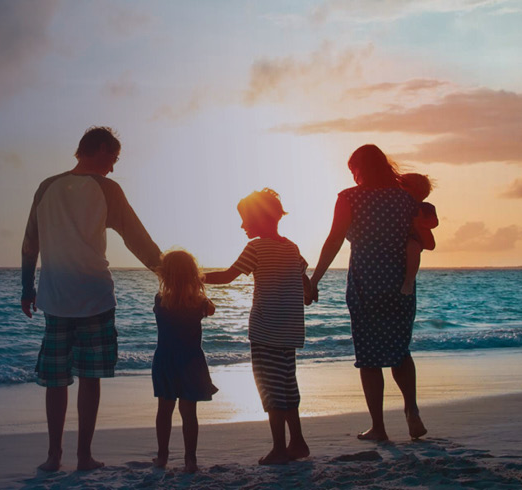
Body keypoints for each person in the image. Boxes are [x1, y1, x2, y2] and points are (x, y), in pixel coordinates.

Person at [20, 126, 162, 472]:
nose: (113, 167)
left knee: (56, 381)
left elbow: (29, 244)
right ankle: (83, 456)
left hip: (54, 298)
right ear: (98, 150)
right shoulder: (106, 188)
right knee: (89, 377)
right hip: (95, 296)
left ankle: (55, 455)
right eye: (112, 158)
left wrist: (27, 287)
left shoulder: (46, 187)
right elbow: (136, 237)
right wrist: (167, 273)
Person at [309, 144, 428, 442]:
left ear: (361, 168)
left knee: (369, 357)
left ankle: (379, 426)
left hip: (366, 282)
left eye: (354, 170)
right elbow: (421, 238)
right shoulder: (406, 199)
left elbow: (335, 240)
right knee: (400, 351)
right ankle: (411, 411)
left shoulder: (350, 197)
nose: (353, 176)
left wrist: (315, 279)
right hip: (401, 283)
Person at [204, 188, 313, 465]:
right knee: (288, 386)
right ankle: (297, 441)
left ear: (260, 218)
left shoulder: (256, 247)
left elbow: (228, 276)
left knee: (270, 389)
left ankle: (279, 448)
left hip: (265, 331)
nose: (242, 225)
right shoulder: (292, 247)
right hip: (289, 333)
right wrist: (308, 292)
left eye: (245, 219)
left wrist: (195, 277)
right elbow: (306, 282)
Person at [151, 249, 218, 474]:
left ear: (165, 275)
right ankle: (190, 459)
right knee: (189, 413)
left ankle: (162, 456)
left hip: (165, 360)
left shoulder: (160, 300)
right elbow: (212, 309)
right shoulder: (199, 303)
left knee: (164, 410)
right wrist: (200, 293)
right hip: (191, 361)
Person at [399, 173, 438, 295]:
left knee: (413, 248)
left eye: (402, 185)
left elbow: (434, 222)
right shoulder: (399, 205)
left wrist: (420, 223)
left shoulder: (425, 207)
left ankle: (409, 280)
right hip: (401, 237)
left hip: (414, 238)